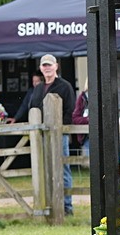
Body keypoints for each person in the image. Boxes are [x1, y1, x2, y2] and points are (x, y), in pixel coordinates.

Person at [13, 55, 75, 216]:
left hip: (59, 134)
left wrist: (61, 128)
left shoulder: (65, 86)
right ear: (41, 68)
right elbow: (33, 107)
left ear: (56, 66)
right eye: (44, 66)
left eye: (50, 65)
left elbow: (70, 110)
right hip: (41, 135)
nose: (47, 68)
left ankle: (67, 206)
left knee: (63, 168)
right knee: (44, 167)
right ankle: (48, 202)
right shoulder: (38, 88)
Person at [72, 82, 90, 158]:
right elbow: (75, 118)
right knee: (91, 163)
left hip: (104, 135)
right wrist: (88, 119)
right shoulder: (82, 98)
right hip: (86, 136)